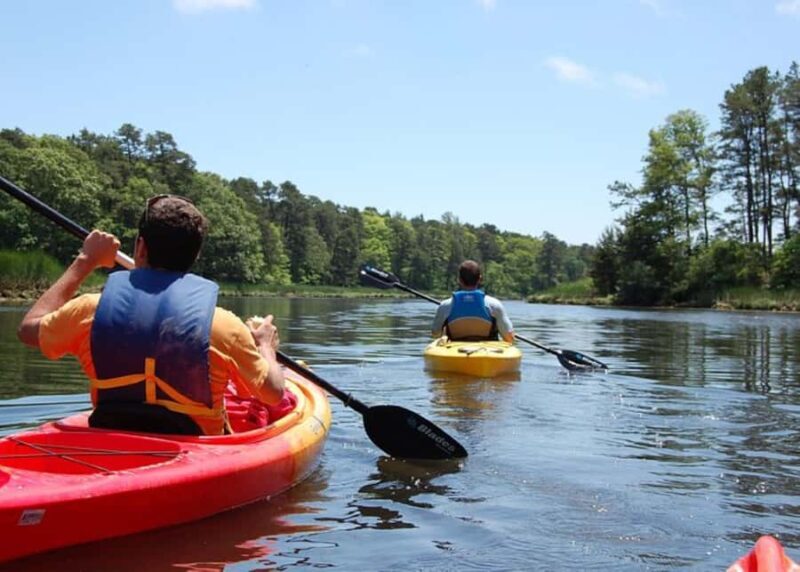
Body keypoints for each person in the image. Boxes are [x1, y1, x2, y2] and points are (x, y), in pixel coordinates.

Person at [17, 195, 288, 435]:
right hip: (196, 450)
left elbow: (28, 329)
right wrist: (265, 345)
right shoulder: (224, 326)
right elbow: (274, 394)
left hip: (109, 439)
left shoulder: (89, 310)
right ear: (195, 254)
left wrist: (85, 261)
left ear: (141, 248)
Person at [432, 260, 515, 343]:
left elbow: (435, 333)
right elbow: (509, 337)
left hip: (455, 348)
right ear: (479, 279)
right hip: (487, 350)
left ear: (459, 280)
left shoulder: (445, 305)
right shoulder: (494, 305)